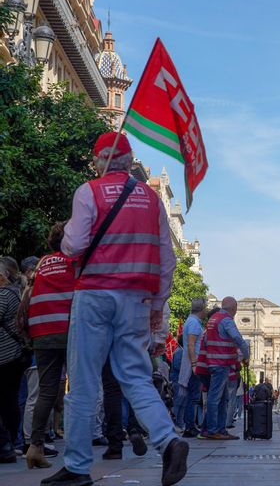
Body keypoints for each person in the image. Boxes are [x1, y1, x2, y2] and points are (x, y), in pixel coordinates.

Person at [42, 133, 188, 486]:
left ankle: (77, 466)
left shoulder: (88, 192)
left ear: (99, 160)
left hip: (94, 295)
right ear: (128, 161)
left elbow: (73, 246)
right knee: (136, 377)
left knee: (83, 381)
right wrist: (158, 304)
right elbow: (167, 260)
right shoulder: (151, 200)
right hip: (136, 299)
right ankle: (168, 441)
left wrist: (67, 233)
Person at [24, 223, 75, 469]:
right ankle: (77, 448)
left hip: (41, 331)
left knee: (46, 391)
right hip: (68, 331)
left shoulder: (42, 263)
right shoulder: (73, 262)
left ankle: (35, 447)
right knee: (79, 389)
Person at [195, 297, 249, 440]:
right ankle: (213, 430)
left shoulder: (213, 320)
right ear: (234, 309)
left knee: (223, 398)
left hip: (213, 363)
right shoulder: (226, 320)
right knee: (215, 398)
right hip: (221, 363)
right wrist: (246, 355)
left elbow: (206, 342)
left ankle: (220, 429)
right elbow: (237, 338)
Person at [0, 257, 25, 464]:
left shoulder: (4, 295)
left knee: (7, 400)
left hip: (5, 355)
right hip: (15, 355)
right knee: (10, 399)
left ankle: (6, 444)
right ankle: (11, 442)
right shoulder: (16, 292)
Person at [178, 298, 206, 437]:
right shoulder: (194, 323)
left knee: (192, 396)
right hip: (193, 365)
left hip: (192, 363)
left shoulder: (191, 321)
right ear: (202, 309)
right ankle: (189, 426)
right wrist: (194, 364)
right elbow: (191, 344)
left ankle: (190, 425)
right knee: (193, 397)